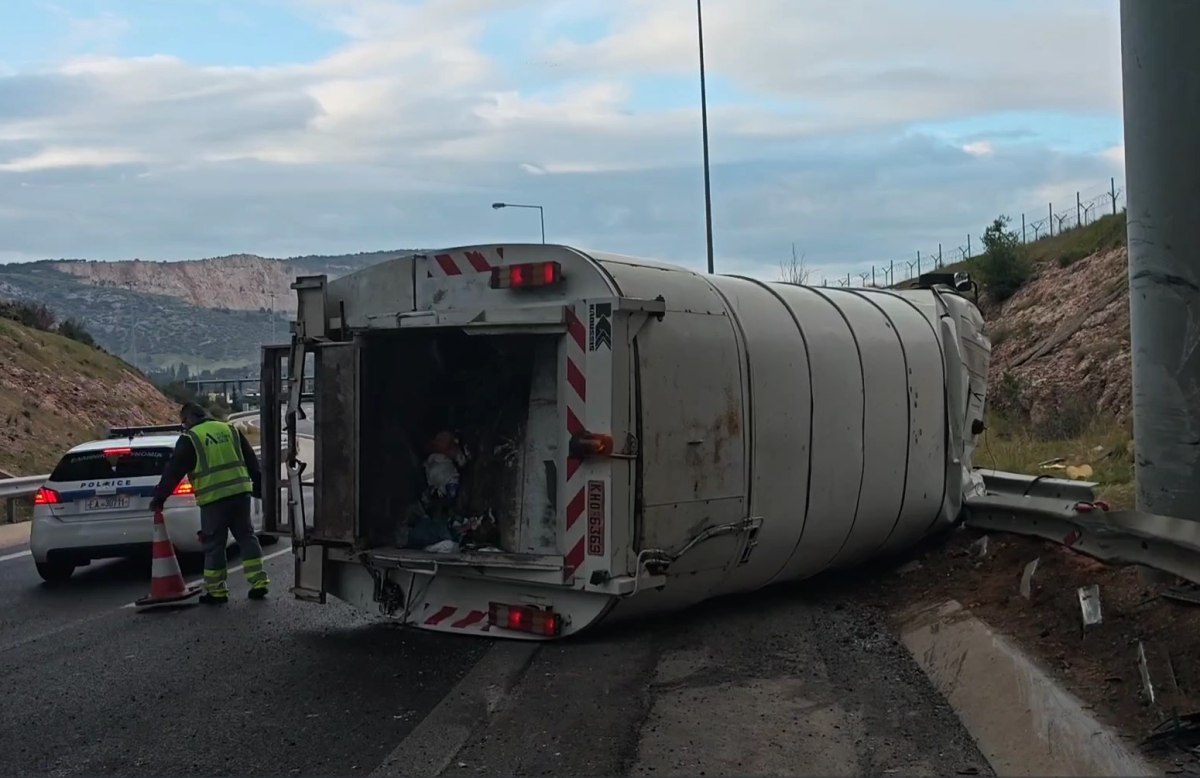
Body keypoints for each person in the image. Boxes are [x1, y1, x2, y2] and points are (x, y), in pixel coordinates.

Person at [150, 402, 269, 605]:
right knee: (247, 537)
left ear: (187, 420)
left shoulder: (191, 438)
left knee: (214, 544)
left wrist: (160, 498)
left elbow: (174, 471)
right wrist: (259, 487)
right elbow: (251, 460)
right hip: (240, 493)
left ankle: (217, 591)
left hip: (214, 499)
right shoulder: (229, 429)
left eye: (183, 423)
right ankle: (259, 582)